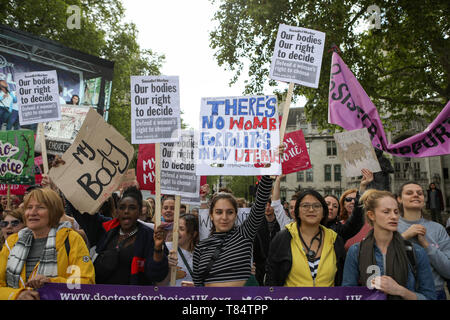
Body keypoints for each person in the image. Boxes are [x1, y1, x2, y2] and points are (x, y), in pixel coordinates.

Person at [0, 188, 95, 300]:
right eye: (29, 207)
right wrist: (17, 295)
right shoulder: (12, 242)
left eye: (40, 207)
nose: (32, 212)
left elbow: (86, 282)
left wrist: (51, 282)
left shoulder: (70, 239)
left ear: (54, 212)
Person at [342, 189, 436, 300]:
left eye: (396, 212)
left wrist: (400, 291)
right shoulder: (356, 251)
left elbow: (430, 297)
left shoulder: (415, 252)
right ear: (371, 215)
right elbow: (348, 294)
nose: (394, 216)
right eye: (386, 212)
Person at [66, 186, 169, 285]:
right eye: (122, 207)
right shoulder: (105, 228)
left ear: (139, 211)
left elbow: (157, 275)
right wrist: (66, 178)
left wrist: (158, 249)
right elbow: (79, 209)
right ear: (117, 210)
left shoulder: (150, 237)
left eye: (132, 208)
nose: (126, 211)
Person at [192, 175, 275, 287]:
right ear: (211, 215)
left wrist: (268, 175)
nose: (224, 217)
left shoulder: (244, 235)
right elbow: (198, 287)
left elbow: (260, 204)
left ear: (236, 215)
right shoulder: (200, 248)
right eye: (219, 212)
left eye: (230, 212)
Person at [266, 189, 346, 287]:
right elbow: (272, 279)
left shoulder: (335, 239)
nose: (311, 210)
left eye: (316, 206)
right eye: (305, 206)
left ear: (324, 212)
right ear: (297, 212)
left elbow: (341, 279)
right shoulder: (282, 238)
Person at [397, 181, 450, 300]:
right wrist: (404, 236)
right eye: (409, 193)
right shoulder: (391, 226)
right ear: (399, 199)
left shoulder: (438, 229)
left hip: (435, 292)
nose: (416, 195)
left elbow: (448, 270)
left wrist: (427, 245)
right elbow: (379, 255)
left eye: (419, 193)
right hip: (400, 292)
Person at [159, 213, 199, 286]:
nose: (176, 232)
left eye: (181, 229)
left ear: (193, 234)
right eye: (175, 228)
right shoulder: (165, 249)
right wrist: (168, 268)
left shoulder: (201, 254)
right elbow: (159, 285)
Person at [253, 199, 280, 285]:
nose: (267, 208)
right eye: (265, 205)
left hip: (276, 265)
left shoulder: (280, 224)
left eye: (270, 205)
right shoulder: (257, 224)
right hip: (261, 267)